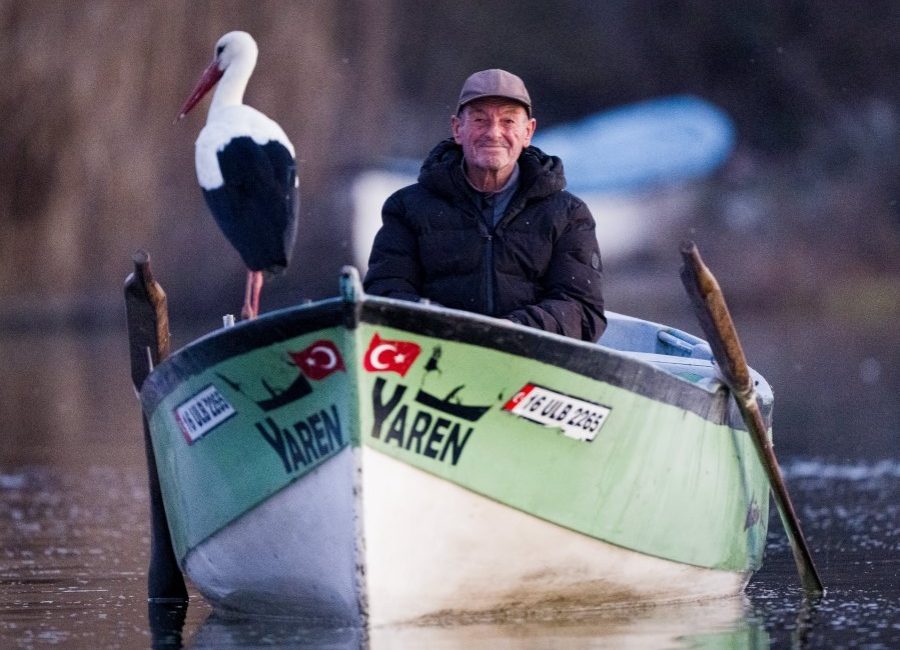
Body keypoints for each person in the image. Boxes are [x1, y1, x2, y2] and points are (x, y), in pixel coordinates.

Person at [364, 69, 605, 341]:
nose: (493, 133)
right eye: (480, 120)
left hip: (531, 365)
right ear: (458, 129)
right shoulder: (406, 208)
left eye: (508, 121)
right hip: (431, 362)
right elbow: (384, 295)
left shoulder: (569, 215)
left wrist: (513, 331)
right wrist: (440, 325)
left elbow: (583, 311)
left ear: (528, 132)